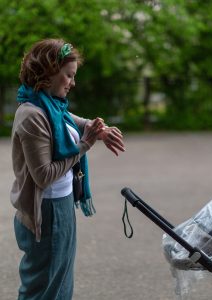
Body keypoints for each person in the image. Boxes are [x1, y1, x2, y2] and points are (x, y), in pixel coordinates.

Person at [10, 38, 125, 300]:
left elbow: (73, 120)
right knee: (44, 289)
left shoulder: (50, 105)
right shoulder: (32, 114)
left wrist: (100, 131)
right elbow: (44, 175)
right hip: (46, 212)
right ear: (49, 72)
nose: (73, 83)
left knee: (60, 285)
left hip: (61, 204)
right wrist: (85, 145)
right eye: (69, 75)